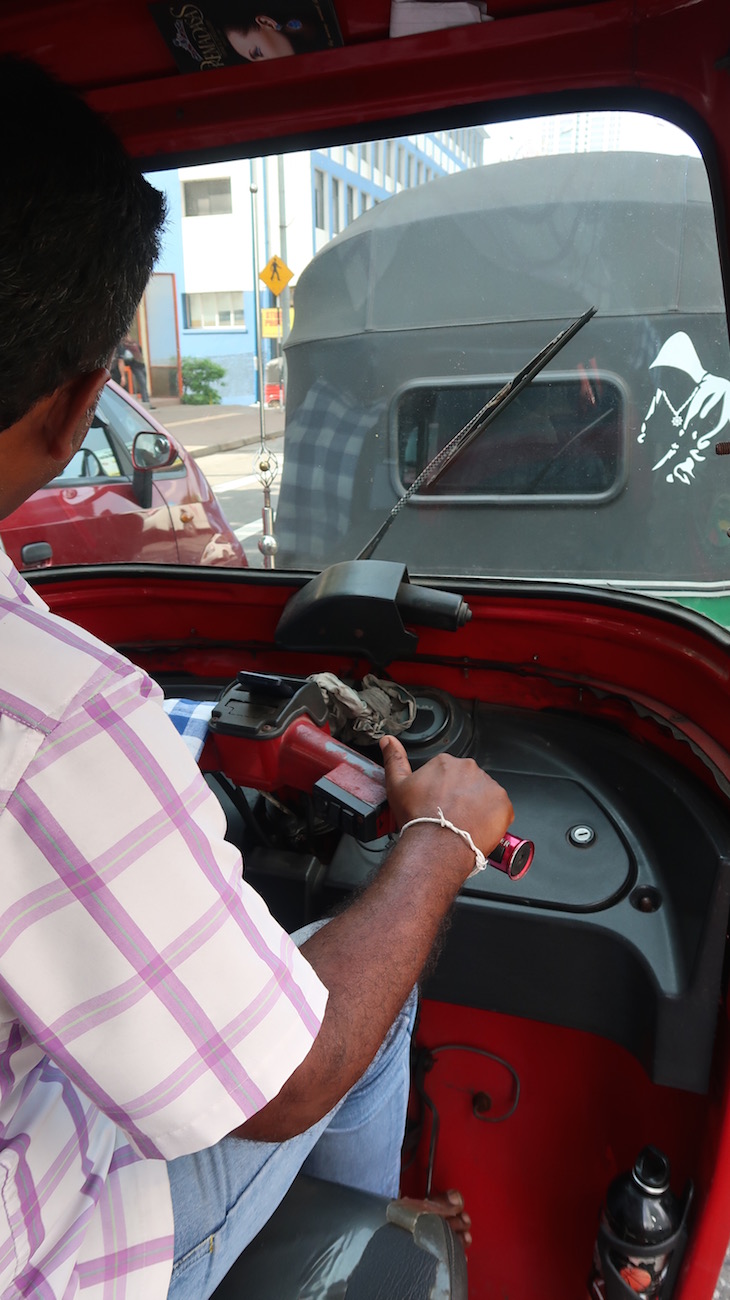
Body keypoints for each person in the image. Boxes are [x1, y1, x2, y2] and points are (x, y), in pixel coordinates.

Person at [0, 55, 514, 1300]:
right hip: (45, 1254)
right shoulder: (49, 715)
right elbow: (286, 1076)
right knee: (357, 993)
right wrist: (441, 836)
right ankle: (371, 1257)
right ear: (77, 407)